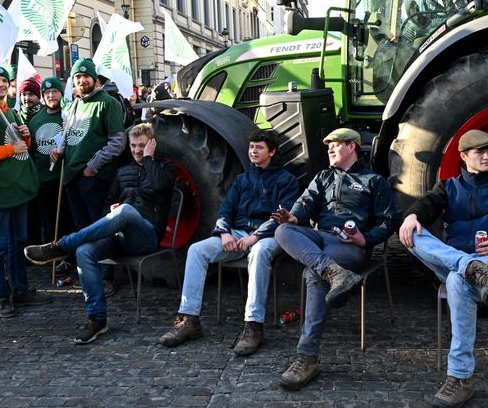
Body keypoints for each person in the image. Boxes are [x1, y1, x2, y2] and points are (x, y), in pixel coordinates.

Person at [398, 129, 488, 408]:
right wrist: (411, 215)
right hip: (459, 260)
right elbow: (425, 206)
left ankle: (460, 377)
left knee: (456, 280)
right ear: (464, 156)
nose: (487, 156)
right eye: (480, 152)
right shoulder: (448, 187)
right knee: (411, 233)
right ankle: (466, 265)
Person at [24, 123, 175, 344]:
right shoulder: (122, 172)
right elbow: (107, 206)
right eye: (133, 146)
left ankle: (62, 245)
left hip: (147, 236)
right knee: (84, 251)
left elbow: (161, 186)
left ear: (152, 145)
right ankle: (97, 319)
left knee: (126, 211)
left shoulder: (165, 168)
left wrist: (149, 159)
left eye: (142, 146)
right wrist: (111, 211)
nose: (137, 150)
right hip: (120, 237)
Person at [271, 128, 397, 390]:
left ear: (351, 147)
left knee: (313, 274)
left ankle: (307, 356)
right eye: (328, 145)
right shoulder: (323, 177)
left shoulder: (374, 180)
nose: (329, 148)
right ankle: (333, 271)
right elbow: (304, 205)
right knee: (283, 231)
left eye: (335, 144)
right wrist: (292, 217)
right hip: (320, 236)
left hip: (349, 244)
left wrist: (365, 239)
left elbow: (388, 221)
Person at [160, 129, 300, 355]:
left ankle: (253, 326)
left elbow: (282, 216)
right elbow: (225, 209)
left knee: (259, 253)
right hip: (237, 234)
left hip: (269, 237)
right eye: (251, 147)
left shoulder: (287, 181)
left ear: (272, 152)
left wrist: (256, 236)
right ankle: (189, 320)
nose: (253, 151)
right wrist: (224, 232)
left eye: (259, 148)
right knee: (197, 250)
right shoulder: (242, 180)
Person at [0, 65, 51, 318]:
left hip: (17, 189)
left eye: (5, 80)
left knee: (18, 242)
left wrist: (26, 137)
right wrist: (11, 149)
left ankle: (20, 290)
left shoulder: (12, 112)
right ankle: (0, 296)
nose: (1, 84)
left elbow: (21, 147)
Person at [52, 59, 125, 231]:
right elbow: (71, 134)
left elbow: (118, 141)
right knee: (81, 227)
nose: (82, 80)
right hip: (72, 176)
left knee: (97, 228)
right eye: (78, 76)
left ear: (94, 78)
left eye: (86, 76)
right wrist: (61, 150)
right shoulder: (76, 103)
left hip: (93, 178)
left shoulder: (107, 102)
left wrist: (92, 167)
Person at [27, 77, 68, 245]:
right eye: (47, 92)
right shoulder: (35, 120)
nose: (51, 95)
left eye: (55, 91)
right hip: (43, 181)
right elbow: (32, 150)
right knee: (48, 223)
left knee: (65, 222)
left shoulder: (68, 116)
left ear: (61, 93)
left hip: (63, 180)